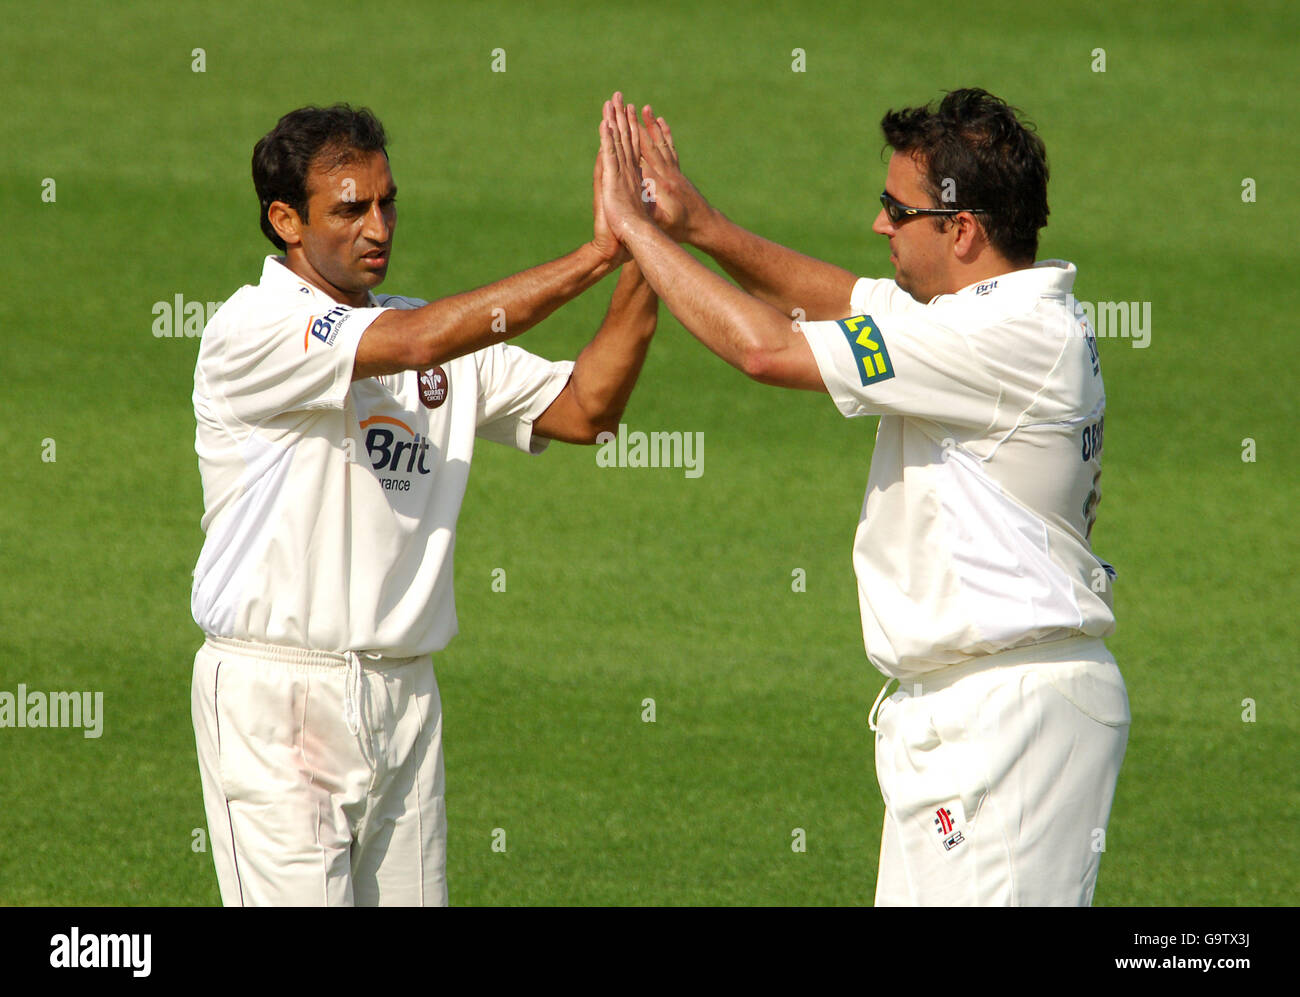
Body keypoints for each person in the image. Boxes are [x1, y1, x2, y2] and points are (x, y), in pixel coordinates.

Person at [596, 88, 1129, 906]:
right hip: (975, 711)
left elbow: (766, 350)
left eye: (896, 208)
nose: (880, 224)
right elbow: (846, 301)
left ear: (961, 229)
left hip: (1006, 720)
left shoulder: (996, 339)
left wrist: (630, 233)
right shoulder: (989, 314)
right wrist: (696, 226)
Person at [190, 103, 657, 906]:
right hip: (280, 701)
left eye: (387, 201)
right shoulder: (254, 327)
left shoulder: (426, 333)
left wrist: (648, 250)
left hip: (405, 695)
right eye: (350, 208)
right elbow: (416, 345)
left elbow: (589, 409)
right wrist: (596, 255)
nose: (379, 226)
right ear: (284, 220)